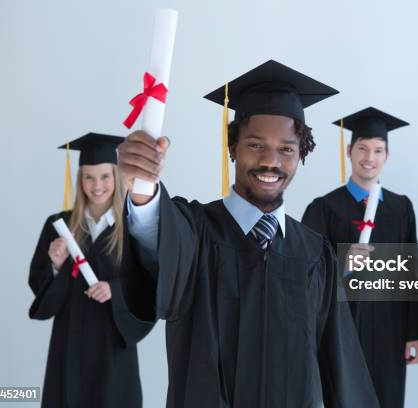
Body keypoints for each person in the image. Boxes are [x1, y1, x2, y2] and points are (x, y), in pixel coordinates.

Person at [117, 60, 380, 407]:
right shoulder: (197, 231)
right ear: (233, 148)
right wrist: (143, 190)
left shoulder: (315, 254)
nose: (271, 161)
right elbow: (161, 239)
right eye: (256, 145)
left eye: (286, 148)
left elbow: (340, 367)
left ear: (301, 153)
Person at [302, 107, 418, 408]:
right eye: (362, 148)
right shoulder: (324, 208)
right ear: (349, 151)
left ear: (387, 156)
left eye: (377, 150)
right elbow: (305, 271)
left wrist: (414, 334)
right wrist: (341, 265)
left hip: (390, 328)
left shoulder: (400, 209)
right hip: (342, 328)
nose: (369, 157)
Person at [28, 133, 153, 408]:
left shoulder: (133, 225)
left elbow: (149, 284)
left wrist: (115, 290)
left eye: (105, 177)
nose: (97, 186)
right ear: (80, 179)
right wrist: (55, 265)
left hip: (113, 347)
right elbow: (39, 287)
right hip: (69, 343)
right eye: (89, 177)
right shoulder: (59, 224)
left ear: (116, 176)